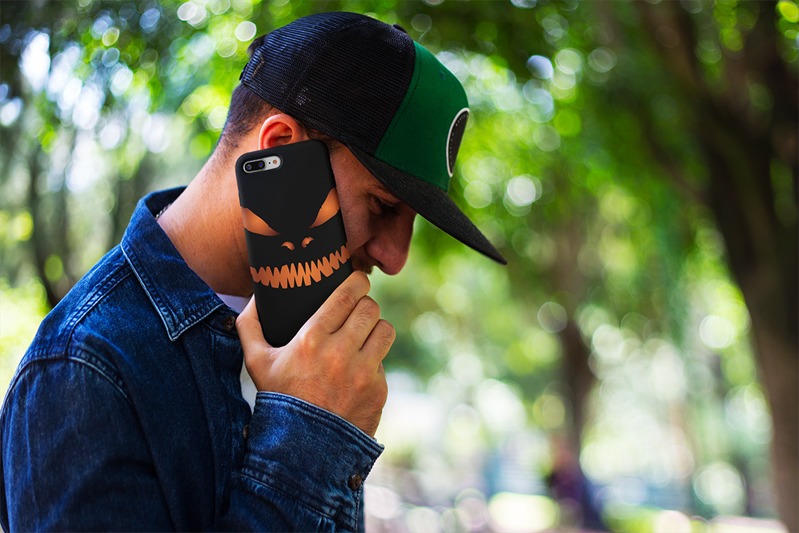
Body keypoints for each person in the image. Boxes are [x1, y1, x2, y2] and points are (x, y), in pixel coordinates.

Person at [0, 12, 506, 531]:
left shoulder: (311, 345)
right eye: (382, 206)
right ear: (281, 147)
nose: (395, 258)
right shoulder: (82, 369)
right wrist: (309, 433)